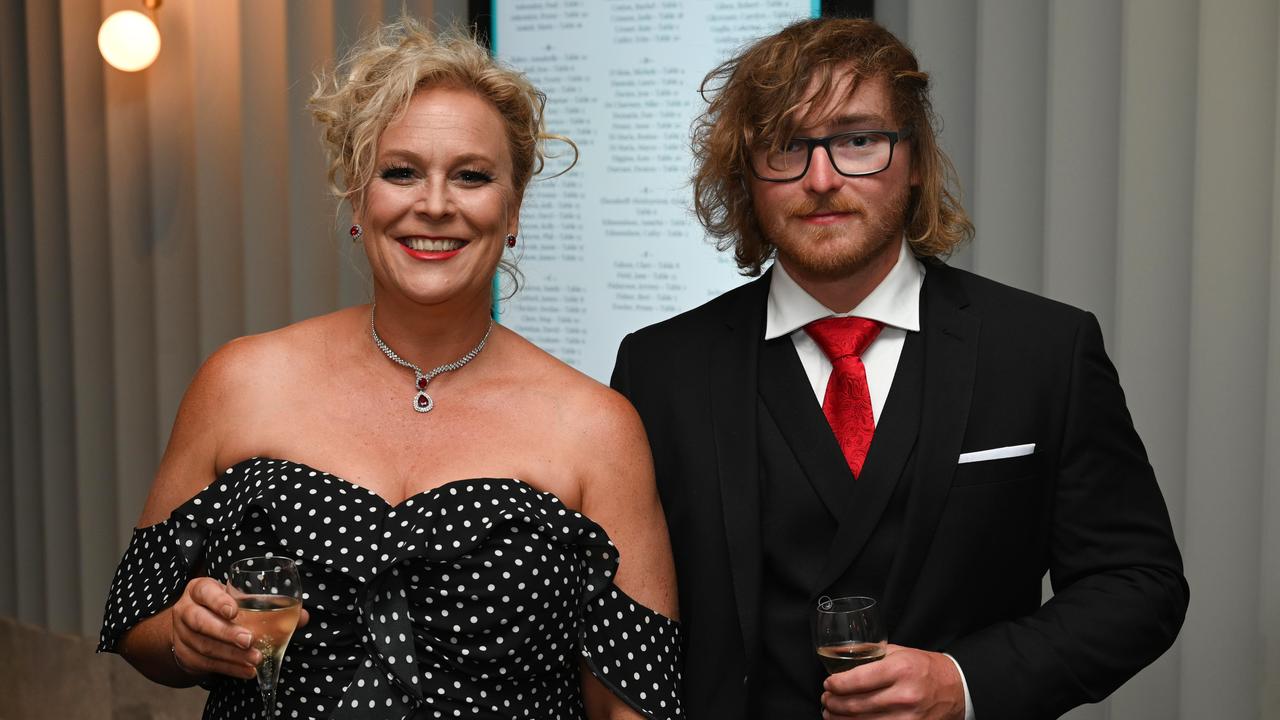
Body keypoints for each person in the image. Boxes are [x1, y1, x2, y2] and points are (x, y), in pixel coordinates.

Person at [97, 19, 681, 720]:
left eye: (471, 175)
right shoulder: (242, 381)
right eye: (400, 171)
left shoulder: (597, 429)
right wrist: (186, 639)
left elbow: (633, 705)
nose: (434, 204)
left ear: (515, 208)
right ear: (356, 196)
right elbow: (138, 622)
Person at [610, 17, 1187, 720]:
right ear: (747, 175)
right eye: (787, 146)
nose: (820, 178)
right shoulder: (660, 368)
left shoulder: (1043, 350)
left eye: (858, 140)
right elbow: (626, 623)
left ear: (913, 162)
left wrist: (965, 682)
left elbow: (1139, 584)